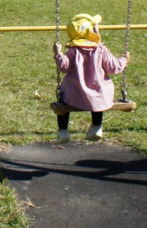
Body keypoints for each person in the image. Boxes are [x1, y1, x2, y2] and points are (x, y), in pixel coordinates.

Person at [53, 14, 130, 143]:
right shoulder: (101, 50)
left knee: (63, 102)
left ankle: (63, 131)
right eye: (96, 27)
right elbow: (114, 68)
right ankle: (96, 127)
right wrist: (124, 60)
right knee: (99, 97)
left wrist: (58, 53)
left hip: (74, 94)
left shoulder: (73, 51)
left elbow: (64, 67)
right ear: (92, 32)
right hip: (98, 94)